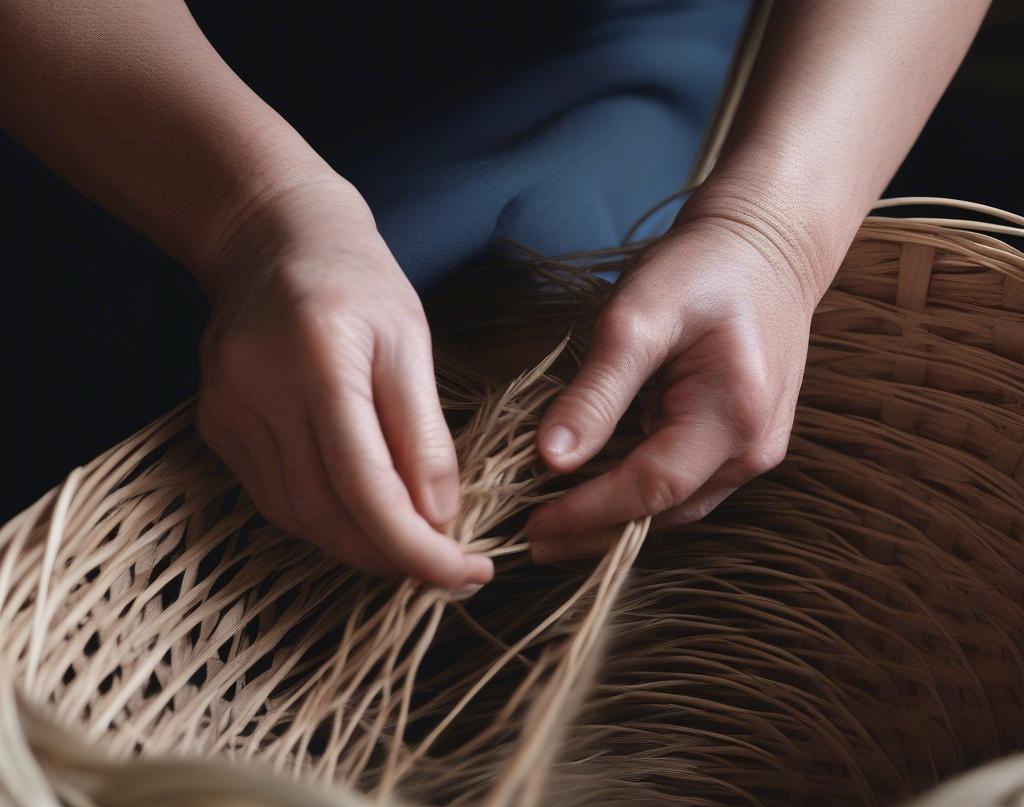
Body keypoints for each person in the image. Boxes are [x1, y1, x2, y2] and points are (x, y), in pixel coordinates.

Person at [0, 1, 989, 596]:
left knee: (551, 346)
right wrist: (255, 220)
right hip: (133, 82)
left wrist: (772, 231)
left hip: (665, 67)